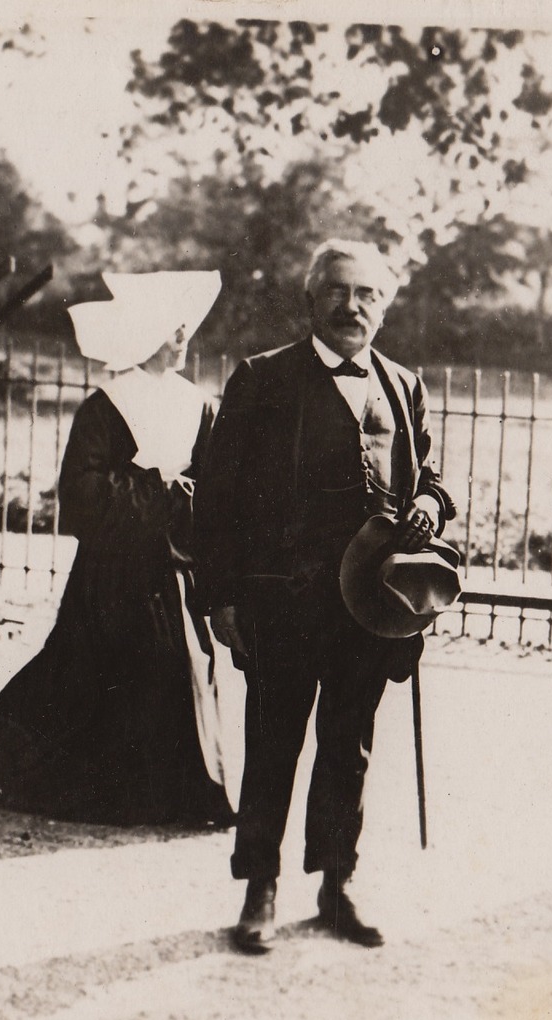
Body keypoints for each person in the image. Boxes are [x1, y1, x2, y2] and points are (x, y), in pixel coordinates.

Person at [194, 239, 456, 953]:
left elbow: (428, 480)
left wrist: (429, 508)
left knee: (350, 746)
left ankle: (336, 884)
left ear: (385, 305)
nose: (352, 306)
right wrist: (220, 598)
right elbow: (216, 500)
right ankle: (260, 888)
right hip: (283, 600)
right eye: (338, 291)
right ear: (311, 300)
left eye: (368, 294)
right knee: (273, 743)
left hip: (369, 608)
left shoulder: (403, 385)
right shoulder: (262, 379)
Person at [0, 271, 234, 828]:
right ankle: (119, 793)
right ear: (144, 332)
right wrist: (157, 491)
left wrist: (192, 510)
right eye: (169, 326)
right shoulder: (107, 405)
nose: (182, 335)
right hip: (115, 570)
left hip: (175, 567)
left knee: (185, 665)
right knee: (105, 667)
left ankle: (181, 793)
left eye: (185, 325)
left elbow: (215, 487)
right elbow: (82, 497)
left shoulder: (199, 405)